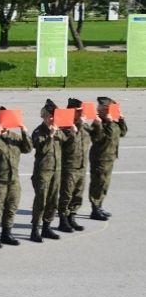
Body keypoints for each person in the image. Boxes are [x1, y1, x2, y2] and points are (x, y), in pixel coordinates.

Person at [0, 107, 32, 248]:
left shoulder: (14, 137)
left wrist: (24, 131)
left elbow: (28, 149)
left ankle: (6, 234)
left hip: (13, 180)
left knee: (11, 207)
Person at [88, 96, 127, 220]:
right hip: (100, 158)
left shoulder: (113, 122)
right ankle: (95, 209)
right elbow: (100, 139)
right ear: (102, 110)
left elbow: (123, 132)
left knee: (105, 183)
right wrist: (109, 122)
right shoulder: (98, 123)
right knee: (98, 182)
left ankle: (99, 205)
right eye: (106, 109)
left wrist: (121, 120)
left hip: (110, 157)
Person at [56, 98, 91, 232]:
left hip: (82, 167)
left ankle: (72, 217)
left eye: (82, 111)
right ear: (71, 111)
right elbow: (69, 146)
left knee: (78, 195)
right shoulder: (65, 127)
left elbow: (99, 137)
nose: (82, 113)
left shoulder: (85, 126)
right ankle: (63, 220)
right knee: (66, 195)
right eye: (79, 111)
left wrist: (98, 124)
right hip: (69, 167)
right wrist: (78, 128)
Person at [29, 99, 62, 242]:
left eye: (54, 116)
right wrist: (50, 136)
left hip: (56, 170)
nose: (52, 118)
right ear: (44, 116)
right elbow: (42, 149)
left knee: (53, 200)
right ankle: (35, 229)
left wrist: (72, 130)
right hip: (43, 172)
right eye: (50, 115)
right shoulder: (38, 131)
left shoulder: (58, 130)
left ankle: (47, 227)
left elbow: (68, 143)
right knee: (41, 201)